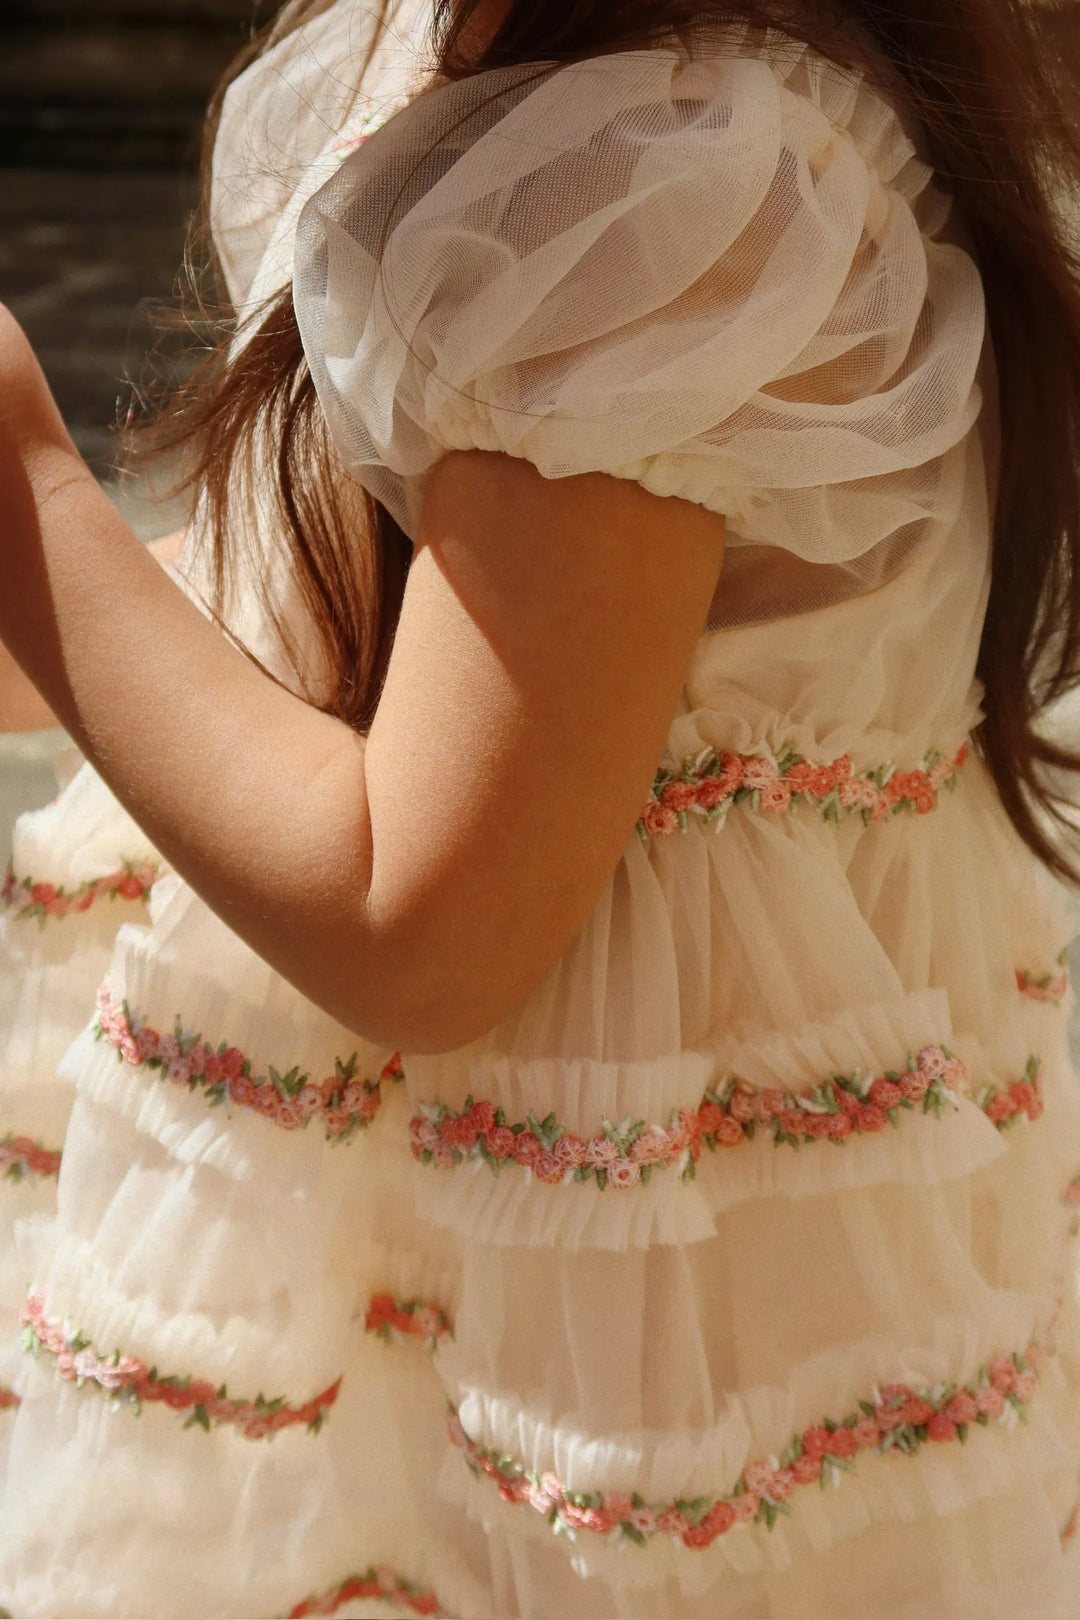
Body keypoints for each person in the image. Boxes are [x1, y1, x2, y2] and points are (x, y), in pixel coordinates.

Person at [2, 0, 1080, 1613]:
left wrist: (27, 491)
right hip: (434, 1297)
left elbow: (420, 930)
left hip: (571, 1388)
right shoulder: (503, 79)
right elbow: (354, 620)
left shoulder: (661, 194)